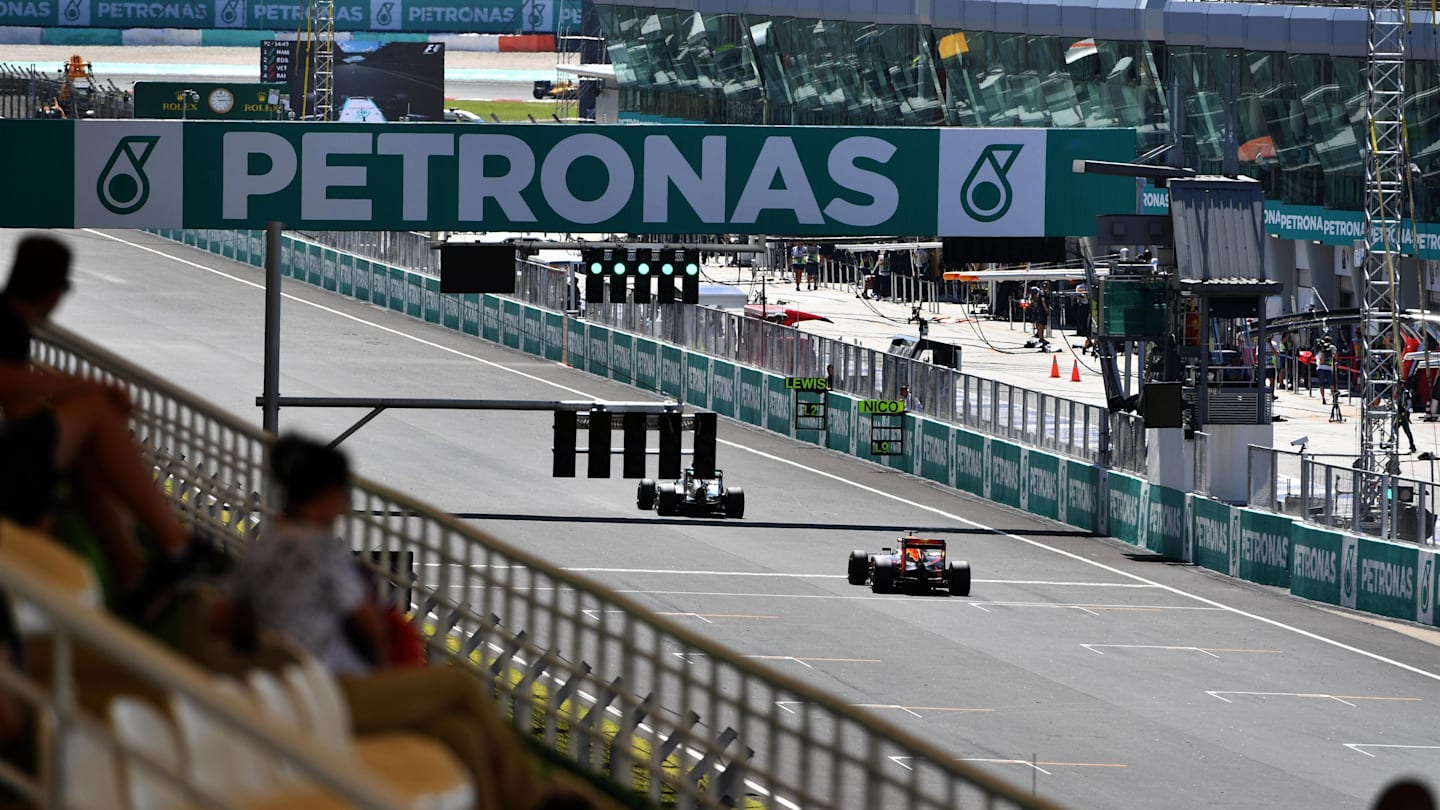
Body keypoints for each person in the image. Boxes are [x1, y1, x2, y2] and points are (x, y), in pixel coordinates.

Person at [227, 436, 559, 808]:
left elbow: (225, 616)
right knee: (459, 685)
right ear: (329, 494)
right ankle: (533, 800)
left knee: (460, 735)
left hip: (288, 691)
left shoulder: (261, 550)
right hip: (335, 693)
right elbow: (372, 629)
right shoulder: (322, 551)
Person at [0, 235, 191, 597]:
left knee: (86, 458)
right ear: (54, 292)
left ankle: (133, 576)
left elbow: (21, 412)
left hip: (15, 461)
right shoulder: (7, 325)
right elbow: (8, 384)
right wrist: (87, 388)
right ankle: (175, 543)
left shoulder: (13, 327)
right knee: (97, 412)